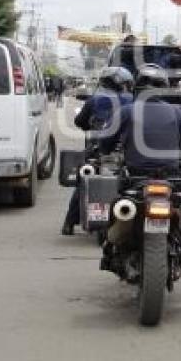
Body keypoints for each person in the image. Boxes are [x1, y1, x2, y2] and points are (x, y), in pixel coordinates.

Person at [61, 66, 134, 236]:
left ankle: (69, 224)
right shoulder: (131, 100)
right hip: (123, 149)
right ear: (123, 83)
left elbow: (80, 121)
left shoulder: (95, 100)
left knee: (83, 182)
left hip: (98, 149)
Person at [99, 66, 181, 177]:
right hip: (169, 174)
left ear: (137, 87)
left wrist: (106, 151)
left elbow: (105, 142)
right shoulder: (176, 112)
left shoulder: (126, 111)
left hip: (135, 173)